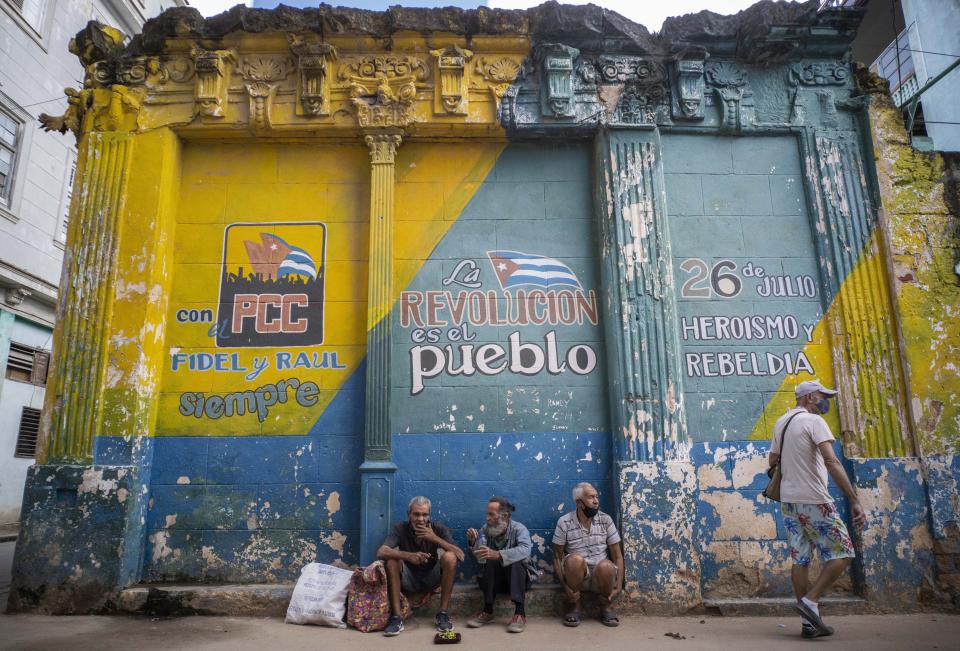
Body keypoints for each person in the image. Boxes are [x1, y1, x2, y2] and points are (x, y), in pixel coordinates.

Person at [769, 380, 866, 639]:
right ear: (811, 397)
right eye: (824, 397)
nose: (826, 402)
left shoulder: (782, 422)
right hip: (815, 499)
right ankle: (810, 602)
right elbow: (832, 461)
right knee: (843, 553)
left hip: (789, 501)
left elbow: (772, 460)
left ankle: (809, 624)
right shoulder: (814, 422)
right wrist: (854, 499)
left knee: (800, 558)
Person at [377, 496, 464, 637]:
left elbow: (460, 555)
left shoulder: (438, 529)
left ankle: (442, 614)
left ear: (430, 515)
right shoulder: (400, 528)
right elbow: (381, 551)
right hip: (408, 579)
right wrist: (408, 556)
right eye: (416, 514)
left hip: (432, 578)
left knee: (450, 557)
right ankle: (396, 618)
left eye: (425, 514)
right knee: (392, 560)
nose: (421, 519)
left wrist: (433, 538)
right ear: (409, 515)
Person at [552, 482, 624, 627]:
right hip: (577, 578)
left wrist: (619, 586)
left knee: (606, 565)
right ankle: (576, 607)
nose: (596, 501)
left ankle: (604, 608)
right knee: (574, 560)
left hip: (601, 577)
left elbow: (617, 556)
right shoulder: (564, 522)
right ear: (579, 503)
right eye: (591, 497)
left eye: (596, 497)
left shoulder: (605, 520)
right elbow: (556, 557)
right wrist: (566, 588)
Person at [465, 496, 538, 633]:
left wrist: (498, 554)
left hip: (518, 581)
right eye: (487, 514)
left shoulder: (519, 529)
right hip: (495, 582)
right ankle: (487, 611)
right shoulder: (486, 530)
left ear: (504, 515)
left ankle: (520, 613)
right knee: (491, 561)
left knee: (515, 562)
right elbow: (479, 557)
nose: (487, 518)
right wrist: (473, 542)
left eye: (491, 514)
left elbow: (526, 549)